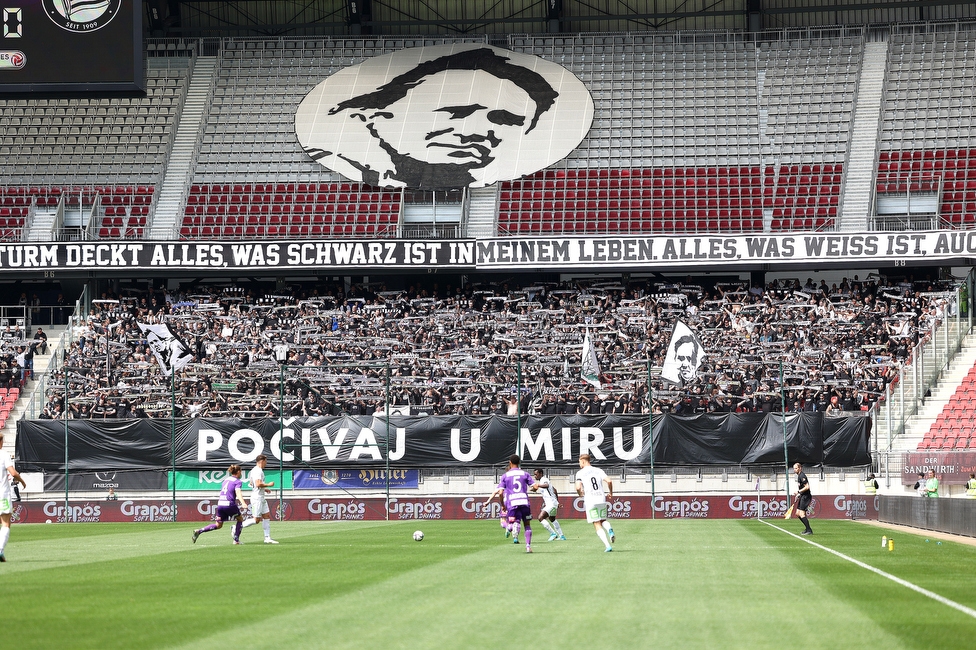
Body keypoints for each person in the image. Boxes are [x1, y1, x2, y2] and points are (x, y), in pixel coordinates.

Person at [303, 47, 560, 189]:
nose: (482, 131)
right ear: (379, 116)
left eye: (506, 119)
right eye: (459, 112)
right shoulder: (345, 159)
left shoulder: (484, 176)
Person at [484, 454, 535, 553]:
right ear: (519, 462)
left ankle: (511, 527)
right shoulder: (525, 474)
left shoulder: (505, 476)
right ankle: (528, 546)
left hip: (512, 503)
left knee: (511, 522)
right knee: (527, 525)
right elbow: (534, 486)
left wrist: (502, 505)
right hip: (524, 502)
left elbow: (500, 492)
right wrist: (534, 488)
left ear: (510, 463)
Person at [192, 464, 247, 545]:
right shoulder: (237, 481)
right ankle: (236, 540)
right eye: (241, 472)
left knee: (218, 525)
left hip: (221, 503)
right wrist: (243, 503)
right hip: (229, 504)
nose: (241, 473)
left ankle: (199, 531)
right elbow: (238, 492)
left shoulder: (225, 480)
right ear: (238, 472)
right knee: (240, 519)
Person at [574, 453, 615, 552]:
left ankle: (607, 546)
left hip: (590, 500)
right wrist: (610, 492)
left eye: (579, 462)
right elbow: (609, 481)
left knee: (596, 523)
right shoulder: (598, 470)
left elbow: (578, 487)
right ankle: (609, 529)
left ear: (583, 461)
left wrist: (580, 493)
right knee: (603, 520)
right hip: (601, 498)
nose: (579, 464)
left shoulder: (580, 473)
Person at [0, 432, 27, 561]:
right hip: (2, 495)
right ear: (1, 442)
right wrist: (22, 481)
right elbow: (13, 473)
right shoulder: (3, 455)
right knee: (5, 523)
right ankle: (0, 550)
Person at [240, 454, 278, 544]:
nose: (266, 463)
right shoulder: (257, 471)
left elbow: (251, 484)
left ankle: (267, 537)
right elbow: (257, 484)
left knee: (266, 516)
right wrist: (268, 484)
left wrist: (265, 489)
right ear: (262, 461)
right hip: (257, 498)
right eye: (266, 461)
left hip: (260, 496)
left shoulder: (255, 470)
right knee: (256, 520)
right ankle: (237, 527)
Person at [530, 468, 566, 541]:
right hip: (552, 503)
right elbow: (554, 490)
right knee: (552, 519)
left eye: (536, 474)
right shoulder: (541, 481)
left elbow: (546, 485)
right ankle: (561, 536)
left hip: (551, 503)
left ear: (540, 474)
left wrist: (538, 485)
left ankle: (553, 533)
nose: (535, 476)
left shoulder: (544, 480)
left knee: (540, 517)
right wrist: (557, 502)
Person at [792, 462, 814, 535]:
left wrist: (798, 491)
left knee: (802, 514)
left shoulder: (802, 475)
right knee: (797, 514)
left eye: (796, 468)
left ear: (800, 468)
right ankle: (807, 528)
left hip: (806, 497)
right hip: (802, 496)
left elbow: (807, 487)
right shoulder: (799, 476)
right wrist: (799, 494)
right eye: (794, 468)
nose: (794, 470)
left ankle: (809, 530)